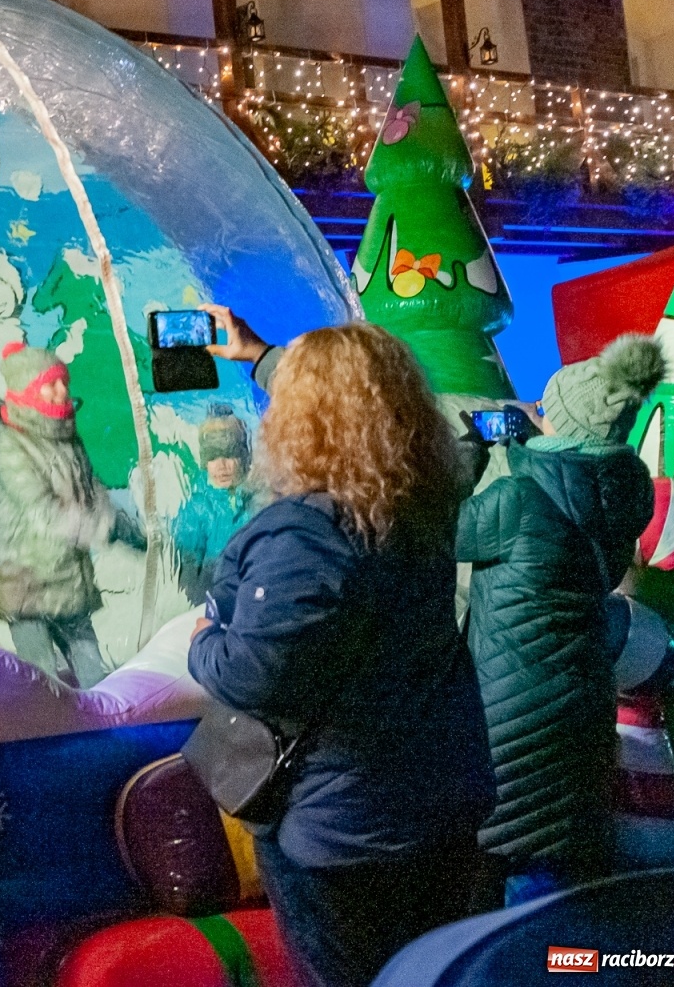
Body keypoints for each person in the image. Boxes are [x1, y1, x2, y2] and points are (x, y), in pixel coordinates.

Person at [189, 323, 495, 987]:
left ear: (298, 422)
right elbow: (364, 411)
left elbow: (253, 675)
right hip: (442, 800)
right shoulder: (425, 499)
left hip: (346, 831)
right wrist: (264, 356)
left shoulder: (308, 532)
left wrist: (203, 643)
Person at [457, 334, 662, 906]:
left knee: (516, 870)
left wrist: (473, 447)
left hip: (509, 718)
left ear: (562, 426)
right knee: (559, 866)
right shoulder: (621, 496)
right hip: (582, 705)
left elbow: (431, 529)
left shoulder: (518, 499)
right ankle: (573, 964)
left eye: (545, 410)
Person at [0, 341, 124, 688]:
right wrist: (100, 529)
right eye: (51, 383)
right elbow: (43, 511)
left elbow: (94, 493)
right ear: (28, 389)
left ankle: (104, 740)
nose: (63, 390)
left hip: (67, 579)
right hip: (26, 583)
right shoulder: (9, 442)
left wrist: (135, 534)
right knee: (42, 682)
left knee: (95, 678)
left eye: (65, 382)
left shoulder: (66, 435)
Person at [174, 404, 259, 606]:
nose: (221, 466)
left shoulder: (259, 500)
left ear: (244, 458)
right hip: (212, 599)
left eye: (229, 455)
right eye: (212, 457)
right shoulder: (197, 508)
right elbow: (187, 571)